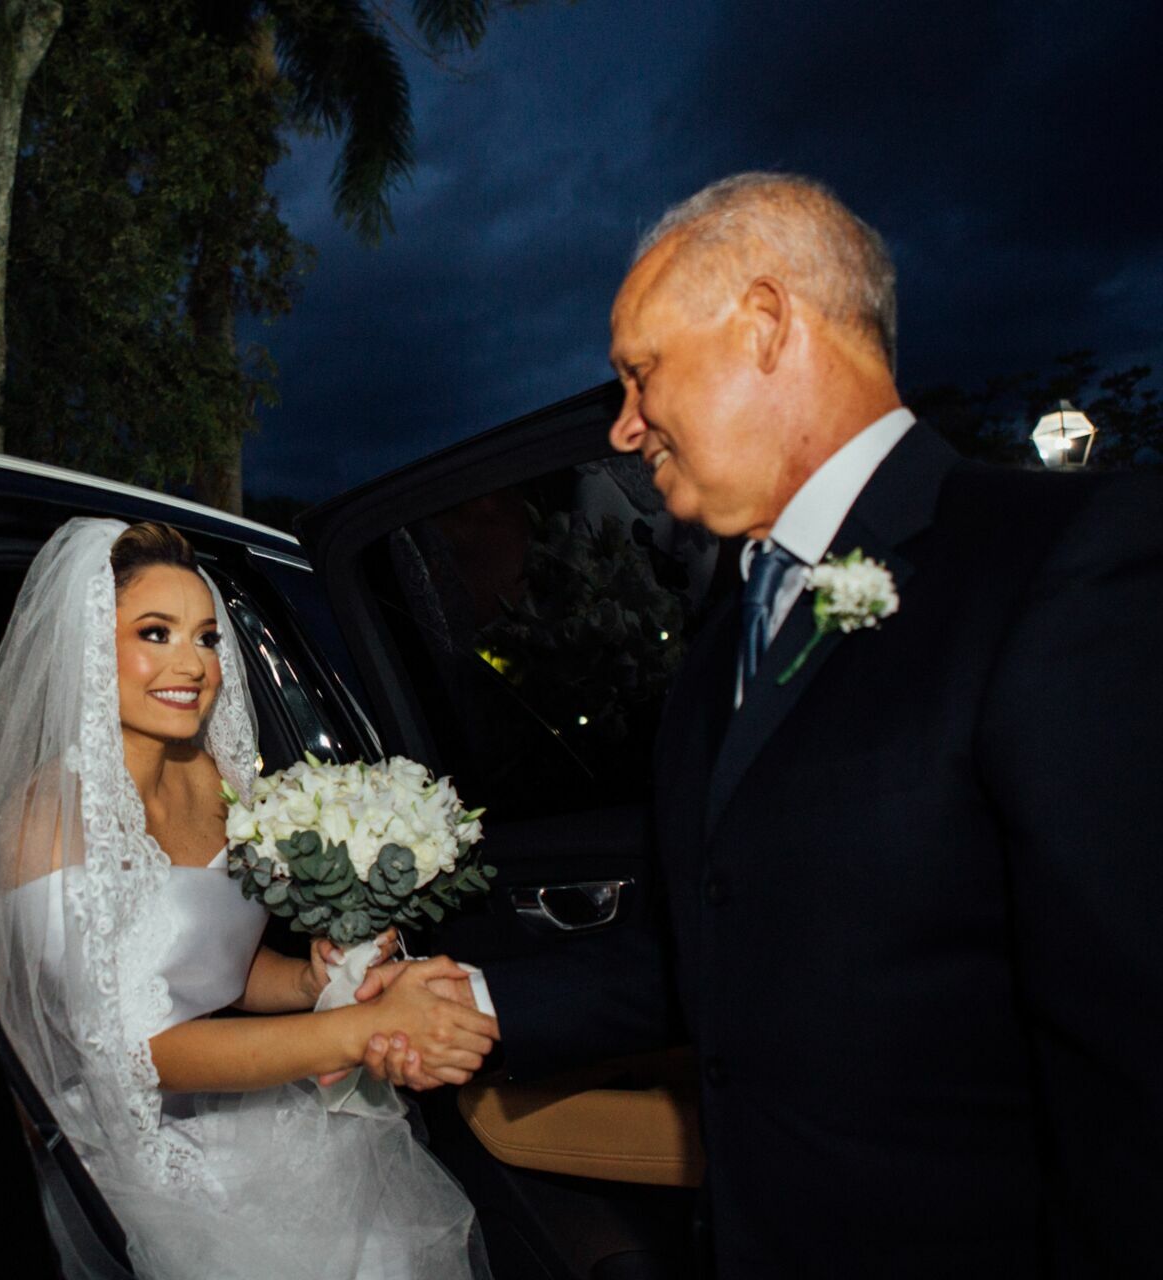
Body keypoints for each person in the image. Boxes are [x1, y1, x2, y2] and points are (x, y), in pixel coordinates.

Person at [361, 173, 1163, 1275]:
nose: (625, 423)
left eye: (640, 372)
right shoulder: (729, 632)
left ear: (768, 323)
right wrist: (476, 995)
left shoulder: (1057, 564)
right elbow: (724, 945)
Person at [0, 517, 499, 1279]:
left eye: (207, 638)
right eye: (156, 633)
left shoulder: (221, 782)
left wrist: (310, 982)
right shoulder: (48, 816)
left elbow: (213, 972)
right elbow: (139, 1051)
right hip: (135, 1157)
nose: (192, 664)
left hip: (244, 1108)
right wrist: (361, 1028)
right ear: (87, 645)